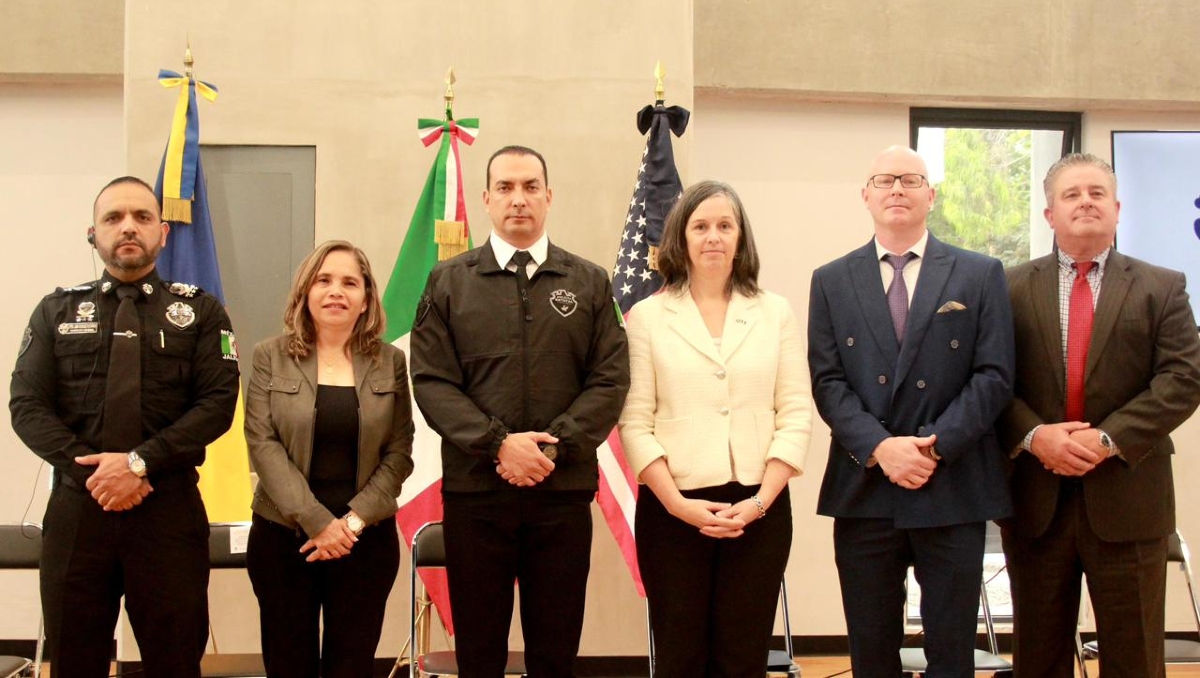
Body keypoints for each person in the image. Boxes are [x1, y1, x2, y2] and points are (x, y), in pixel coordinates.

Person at [410, 145, 630, 677]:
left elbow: (610, 379)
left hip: (560, 496)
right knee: (479, 653)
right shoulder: (449, 282)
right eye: (505, 188)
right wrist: (498, 444)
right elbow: (433, 381)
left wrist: (551, 447)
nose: (519, 200)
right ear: (486, 199)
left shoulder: (589, 282)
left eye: (531, 187)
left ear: (549, 197)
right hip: (477, 496)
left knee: (554, 652)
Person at [9, 176, 240, 677]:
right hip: (78, 510)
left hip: (168, 511)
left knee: (175, 661)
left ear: (164, 233)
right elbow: (27, 406)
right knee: (74, 661)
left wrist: (138, 464)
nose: (128, 227)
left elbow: (217, 404)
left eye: (142, 217)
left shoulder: (201, 313)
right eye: (113, 218)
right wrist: (97, 473)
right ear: (92, 234)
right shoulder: (56, 311)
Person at [807, 146, 1015, 676]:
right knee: (871, 648)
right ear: (866, 195)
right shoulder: (831, 279)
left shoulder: (979, 273)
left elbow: (994, 376)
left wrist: (933, 447)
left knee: (951, 650)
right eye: (884, 180)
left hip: (952, 481)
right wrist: (881, 448)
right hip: (866, 487)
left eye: (910, 179)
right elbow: (827, 381)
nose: (897, 189)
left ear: (931, 195)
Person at [999, 153, 1200, 678]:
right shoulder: (1006, 286)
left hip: (1130, 499)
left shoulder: (1162, 286)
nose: (1085, 202)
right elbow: (989, 379)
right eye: (1071, 194)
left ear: (1116, 208)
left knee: (1135, 658)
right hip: (1035, 502)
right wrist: (1034, 435)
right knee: (1038, 658)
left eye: (1096, 193)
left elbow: (1184, 378)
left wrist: (1107, 439)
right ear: (1048, 215)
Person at [617, 180, 812, 676]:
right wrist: (678, 505)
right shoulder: (647, 317)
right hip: (673, 512)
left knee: (742, 658)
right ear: (681, 238)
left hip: (760, 510)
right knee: (681, 658)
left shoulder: (775, 313)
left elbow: (794, 414)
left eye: (725, 225)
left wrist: (760, 501)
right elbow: (635, 423)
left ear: (741, 238)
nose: (713, 237)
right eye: (700, 226)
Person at [244, 240, 415, 677]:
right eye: (324, 280)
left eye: (349, 282)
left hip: (365, 542)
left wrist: (351, 523)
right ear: (305, 292)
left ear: (365, 300)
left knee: (351, 667)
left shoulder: (390, 362)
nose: (336, 291)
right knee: (288, 665)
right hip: (284, 540)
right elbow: (262, 444)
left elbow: (399, 452)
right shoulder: (270, 356)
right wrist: (318, 522)